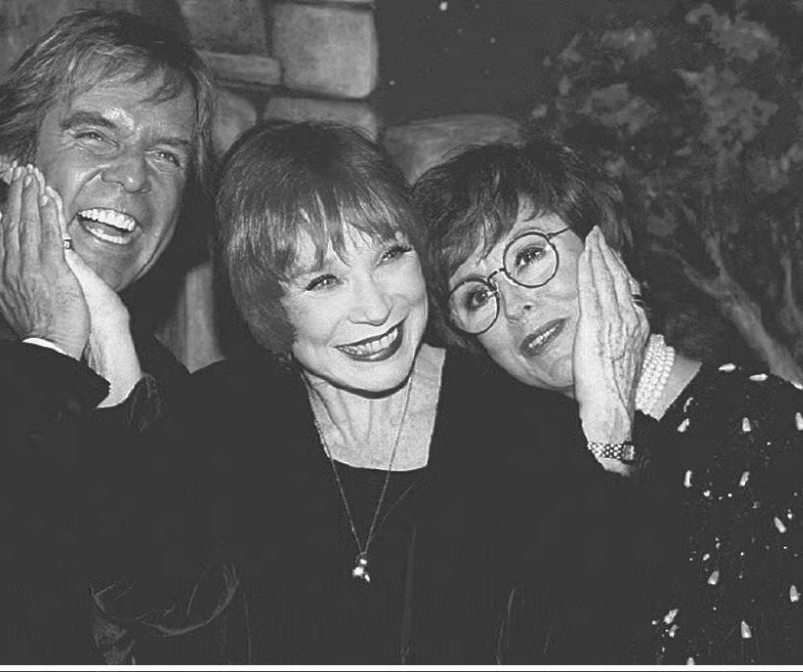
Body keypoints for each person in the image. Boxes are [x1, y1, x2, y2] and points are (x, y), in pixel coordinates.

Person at [88, 120, 678, 664]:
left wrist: (606, 433)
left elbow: (615, 629)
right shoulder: (219, 423)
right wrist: (109, 332)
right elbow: (137, 603)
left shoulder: (521, 426)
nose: (376, 309)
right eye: (324, 280)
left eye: (391, 254)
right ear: (266, 306)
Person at [412, 135, 803, 664]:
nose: (515, 306)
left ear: (607, 248)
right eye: (476, 295)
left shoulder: (760, 421)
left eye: (530, 255)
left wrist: (611, 434)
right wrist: (604, 429)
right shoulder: (502, 470)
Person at [0, 9, 215, 662]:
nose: (135, 176)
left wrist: (111, 354)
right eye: (96, 136)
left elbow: (179, 620)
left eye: (166, 153)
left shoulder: (160, 385)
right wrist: (51, 349)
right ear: (11, 153)